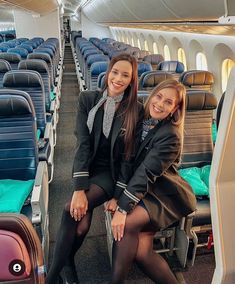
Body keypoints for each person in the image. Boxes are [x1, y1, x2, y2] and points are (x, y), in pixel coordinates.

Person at [45, 53, 144, 284]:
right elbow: (82, 143)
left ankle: (51, 276)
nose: (118, 78)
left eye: (125, 75)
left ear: (132, 80)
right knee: (81, 227)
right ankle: (67, 265)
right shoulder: (87, 99)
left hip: (111, 175)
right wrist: (79, 187)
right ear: (108, 72)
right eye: (115, 72)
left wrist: (118, 195)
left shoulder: (135, 110)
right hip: (87, 168)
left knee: (70, 209)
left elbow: (129, 158)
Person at [110, 79, 197, 284]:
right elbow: (127, 159)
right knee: (142, 252)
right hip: (145, 189)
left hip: (165, 194)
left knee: (128, 223)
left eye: (168, 102)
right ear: (152, 95)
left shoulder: (171, 135)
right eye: (158, 96)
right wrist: (117, 195)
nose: (160, 104)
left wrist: (122, 208)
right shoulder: (142, 119)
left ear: (175, 109)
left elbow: (146, 173)